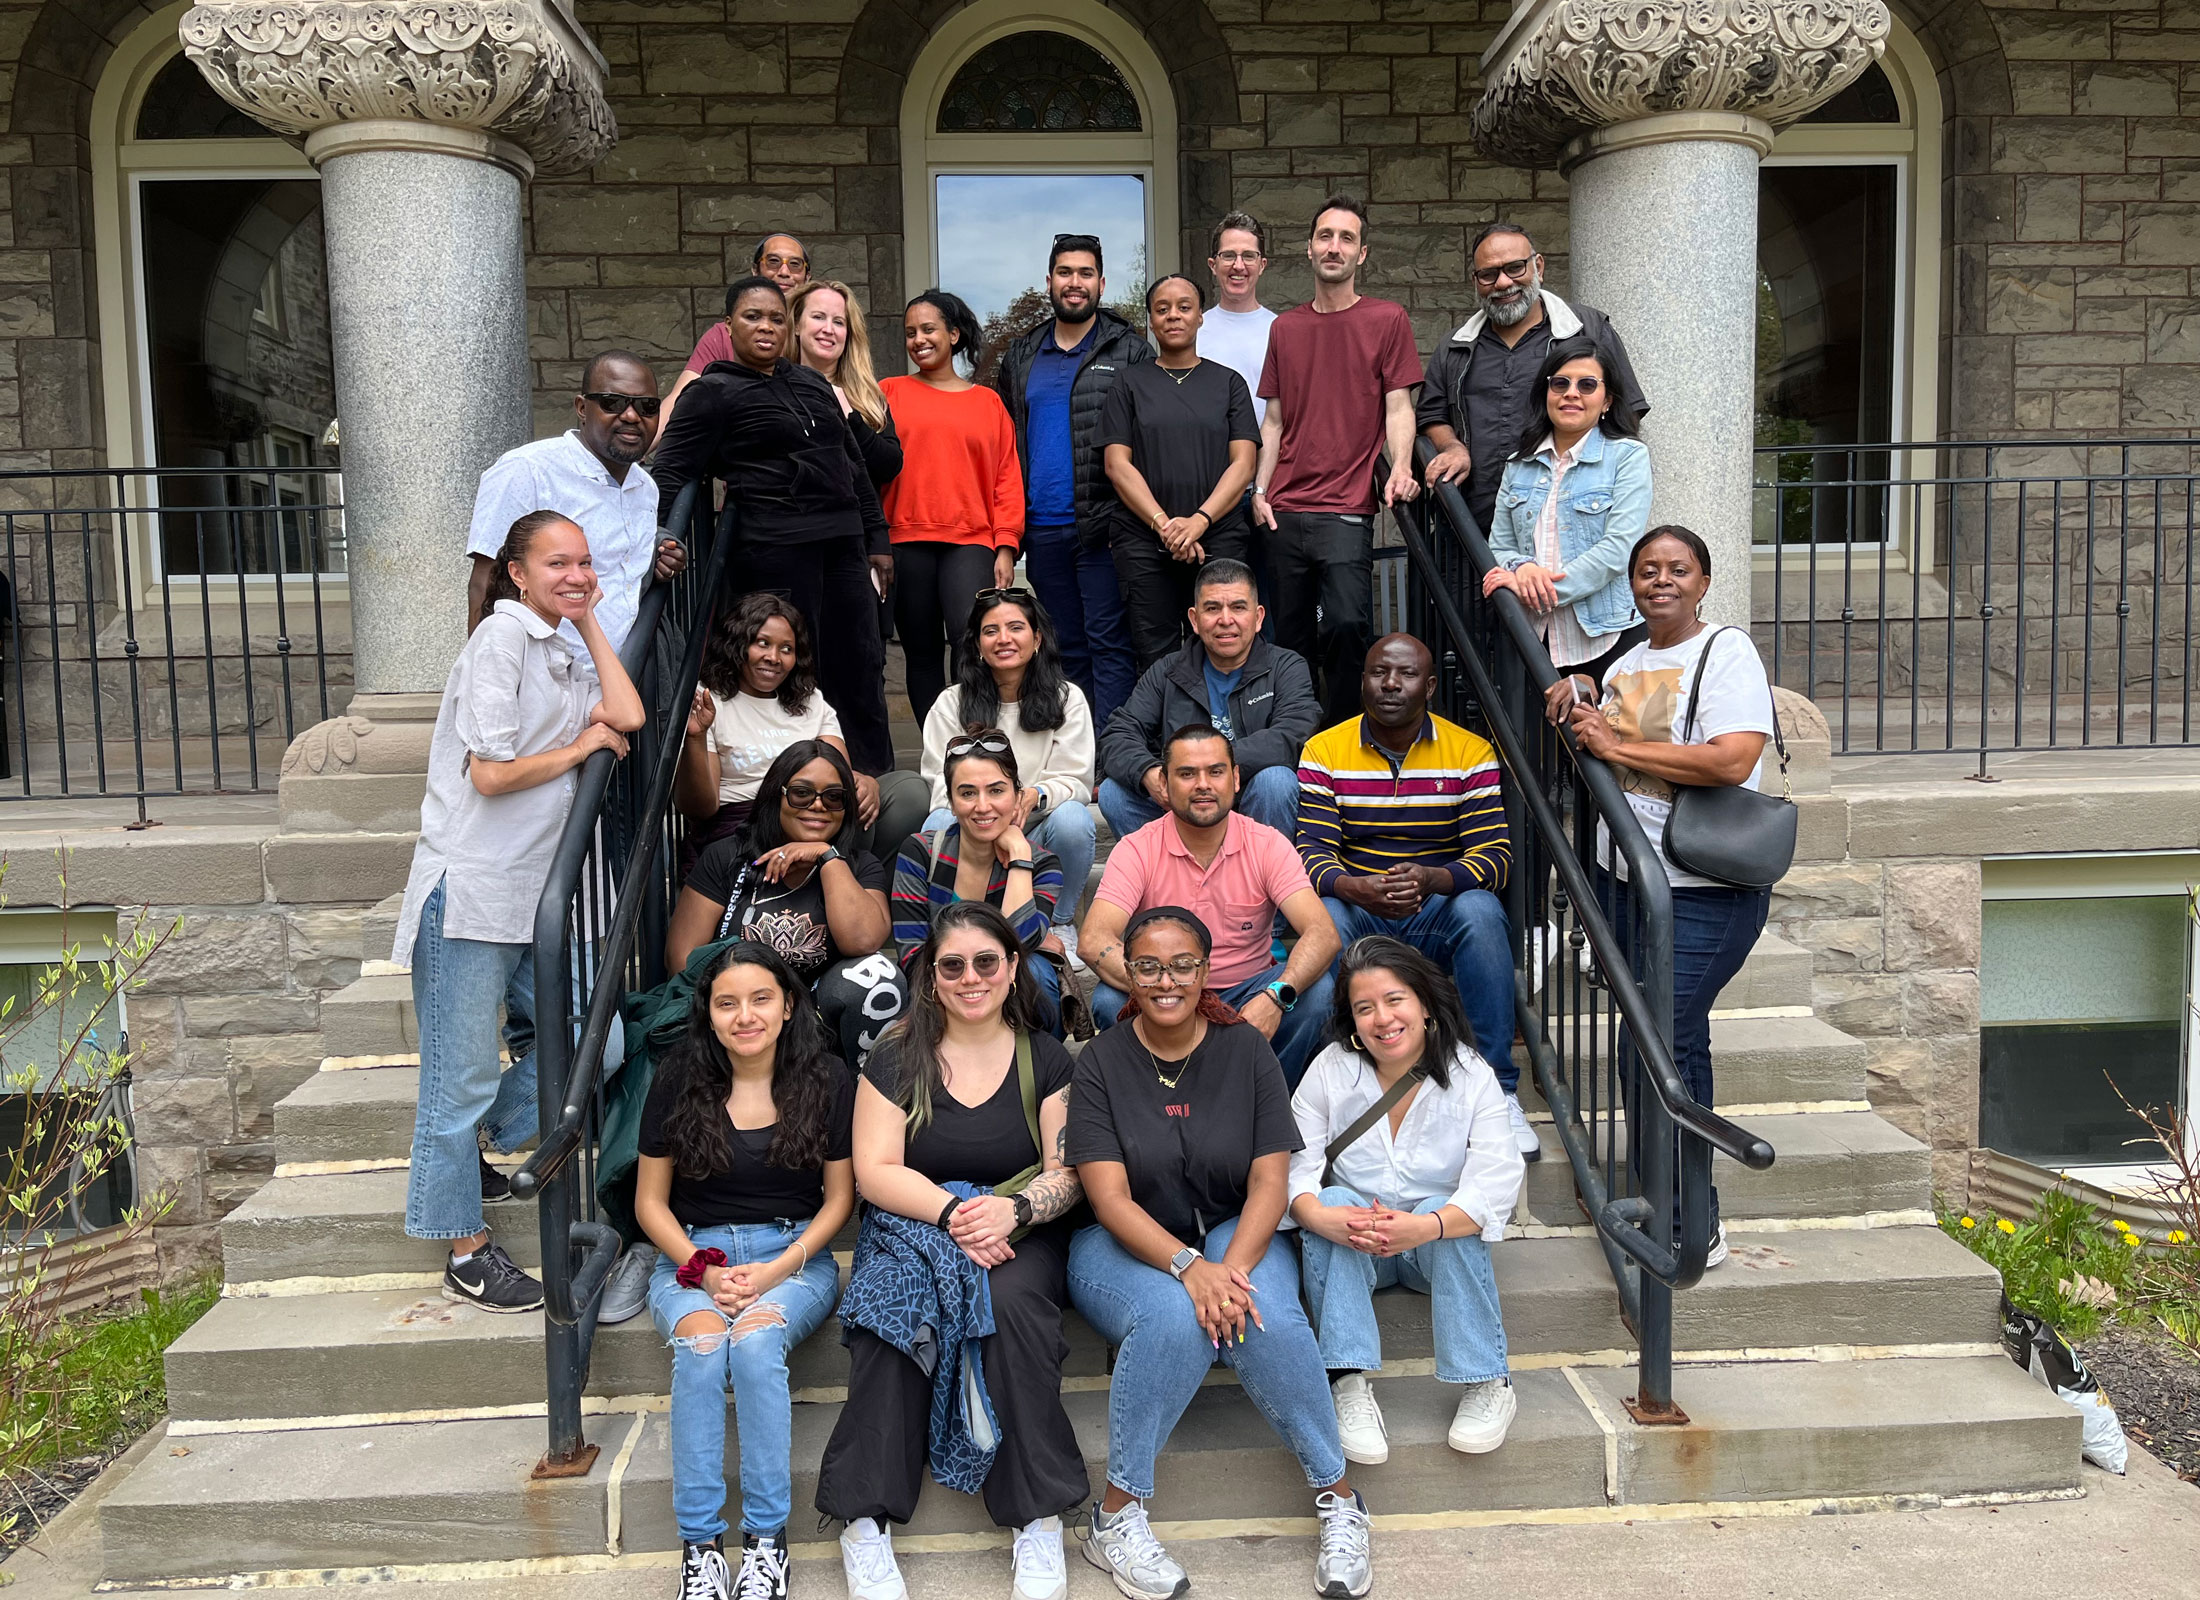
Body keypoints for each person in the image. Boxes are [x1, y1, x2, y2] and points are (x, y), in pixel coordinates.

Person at [1066, 907, 1373, 1600]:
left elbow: (1271, 1178)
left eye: (1181, 965)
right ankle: (1115, 1516)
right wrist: (1189, 1268)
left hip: (1234, 1230)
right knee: (1174, 1319)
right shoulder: (1102, 1063)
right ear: (1127, 973)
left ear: (1206, 972)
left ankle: (1340, 1499)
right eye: (1147, 965)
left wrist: (1227, 1270)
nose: (1164, 979)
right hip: (1122, 1244)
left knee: (1262, 1310)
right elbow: (1110, 1199)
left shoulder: (1245, 1050)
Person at [395, 511, 646, 1312]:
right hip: (471, 891)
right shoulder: (500, 643)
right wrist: (582, 749)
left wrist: (592, 618)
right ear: (517, 573)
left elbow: (630, 716)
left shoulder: (560, 644)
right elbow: (492, 774)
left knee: (596, 1042)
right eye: (556, 565)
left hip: (536, 901)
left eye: (583, 563)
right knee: (458, 1080)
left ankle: (479, 1147)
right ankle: (464, 1251)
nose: (573, 575)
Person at [816, 903, 1089, 1600]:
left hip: (1017, 1231)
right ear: (930, 979)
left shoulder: (1045, 1056)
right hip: (916, 1223)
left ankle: (1035, 1516)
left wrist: (1015, 1210)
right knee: (891, 1310)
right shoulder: (896, 1055)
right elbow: (875, 1168)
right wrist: (956, 1214)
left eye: (986, 962)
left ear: (1012, 968)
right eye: (953, 966)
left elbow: (1067, 1169)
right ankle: (865, 1521)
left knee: (1012, 1305)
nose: (972, 977)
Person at [1558, 525, 1776, 1270]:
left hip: (1703, 891)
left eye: (1677, 570)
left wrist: (1615, 748)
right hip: (1629, 883)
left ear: (1704, 582)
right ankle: (1673, 1196)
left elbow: (1733, 757)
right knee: (1673, 1045)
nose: (1661, 581)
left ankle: (1691, 1218)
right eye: (1648, 570)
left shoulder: (1726, 652)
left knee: (1655, 1049)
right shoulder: (1629, 660)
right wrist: (1587, 690)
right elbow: (1604, 702)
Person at [635, 940, 854, 1600]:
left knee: (755, 1346)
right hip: (693, 1256)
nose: (745, 1016)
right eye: (727, 1004)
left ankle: (765, 1542)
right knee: (703, 1348)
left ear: (788, 1005)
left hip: (794, 1256)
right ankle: (701, 1549)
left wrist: (775, 1270)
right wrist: (702, 1270)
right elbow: (649, 1203)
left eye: (761, 999)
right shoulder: (679, 1077)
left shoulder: (828, 1079)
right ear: (710, 1014)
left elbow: (840, 1201)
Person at [1297, 635, 1540, 1162]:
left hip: (1435, 908)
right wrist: (1351, 886)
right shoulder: (1324, 750)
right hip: (1360, 906)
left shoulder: (1469, 751)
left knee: (1481, 912)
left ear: (1429, 686)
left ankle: (1498, 1089)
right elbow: (1311, 852)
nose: (1389, 684)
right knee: (1326, 918)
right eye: (1378, 672)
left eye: (1405, 674)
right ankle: (1347, 1080)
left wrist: (1434, 879)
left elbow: (1496, 856)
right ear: (1362, 680)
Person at [1290, 938, 1525, 1470]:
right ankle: (1346, 1381)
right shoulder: (1331, 1069)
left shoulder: (1470, 1075)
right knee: (1331, 1197)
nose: (1383, 1019)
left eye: (1395, 1000)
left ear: (1424, 1003)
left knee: (1450, 1207)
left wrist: (1428, 1227)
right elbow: (1292, 1165)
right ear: (1351, 1019)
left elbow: (1496, 1179)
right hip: (1359, 1242)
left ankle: (1488, 1380)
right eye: (1364, 1007)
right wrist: (1317, 1213)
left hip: (1429, 1249)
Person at [651, 276, 897, 778]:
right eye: (752, 317)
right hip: (774, 552)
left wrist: (877, 540)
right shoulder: (711, 392)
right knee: (791, 672)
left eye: (776, 318)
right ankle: (800, 788)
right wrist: (656, 535)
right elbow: (670, 472)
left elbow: (854, 467)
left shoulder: (814, 385)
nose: (766, 326)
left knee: (861, 667)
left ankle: (871, 786)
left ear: (789, 328)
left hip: (844, 548)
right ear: (728, 326)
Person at [1081, 725, 1340, 1085]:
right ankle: (1158, 1104)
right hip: (1167, 987)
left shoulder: (1267, 845)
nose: (1203, 784)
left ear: (1235, 779)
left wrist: (1276, 996)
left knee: (1317, 993)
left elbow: (1323, 933)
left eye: (1215, 771)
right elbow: (1093, 939)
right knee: (1110, 1001)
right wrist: (1173, 988)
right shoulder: (1137, 849)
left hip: (1250, 989)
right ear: (1166, 784)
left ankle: (1267, 1099)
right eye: (1187, 774)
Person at [1253, 196, 1425, 726]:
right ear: (1309, 249)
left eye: (1346, 238)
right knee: (1289, 638)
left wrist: (1401, 467)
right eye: (1325, 236)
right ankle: (1300, 741)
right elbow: (1275, 421)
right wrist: (1259, 492)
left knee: (1348, 625)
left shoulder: (1387, 319)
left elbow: (1399, 405)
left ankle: (1344, 734)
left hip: (1347, 507)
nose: (1334, 246)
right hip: (1284, 509)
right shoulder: (1285, 328)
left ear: (1362, 253)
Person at [665, 741, 907, 1071]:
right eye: (801, 793)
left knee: (881, 975)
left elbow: (863, 941)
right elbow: (682, 959)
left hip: (817, 1020)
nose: (818, 806)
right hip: (740, 1013)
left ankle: (862, 1097)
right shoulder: (729, 856)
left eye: (834, 797)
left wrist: (827, 857)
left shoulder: (859, 866)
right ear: (776, 796)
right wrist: (758, 1003)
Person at [993, 232, 1151, 725]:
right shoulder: (1021, 355)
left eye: (1085, 274)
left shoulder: (1129, 350)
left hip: (1106, 523)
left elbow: (1147, 441)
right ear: (1049, 281)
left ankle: (1115, 759)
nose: (1075, 283)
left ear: (1102, 283)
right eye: (1065, 273)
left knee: (1110, 642)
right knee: (1063, 645)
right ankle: (1080, 756)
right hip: (1042, 526)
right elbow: (1005, 443)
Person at [1419, 221, 1650, 540]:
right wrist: (1451, 446)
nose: (1502, 283)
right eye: (1488, 274)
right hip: (1469, 528)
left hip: (1567, 529)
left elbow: (1626, 413)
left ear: (1538, 265)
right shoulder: (1454, 346)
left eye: (1515, 268)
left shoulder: (1587, 330)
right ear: (1476, 281)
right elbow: (1431, 416)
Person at [673, 592, 928, 863]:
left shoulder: (808, 699)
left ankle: (871, 886)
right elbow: (702, 808)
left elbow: (837, 772)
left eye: (786, 649)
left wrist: (865, 783)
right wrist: (696, 738)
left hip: (815, 804)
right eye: (762, 644)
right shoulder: (709, 701)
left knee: (907, 792)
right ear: (737, 645)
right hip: (750, 818)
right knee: (840, 819)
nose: (774, 657)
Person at [464, 350, 686, 652]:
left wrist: (658, 556)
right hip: (542, 678)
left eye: (647, 406)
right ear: (582, 407)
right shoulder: (527, 470)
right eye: (613, 402)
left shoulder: (644, 487)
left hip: (612, 679)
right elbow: (484, 583)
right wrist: (487, 678)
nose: (632, 416)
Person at [918, 589, 1096, 961]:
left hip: (1036, 823)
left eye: (1016, 627)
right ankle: (953, 921)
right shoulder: (951, 703)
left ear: (1037, 638)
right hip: (972, 826)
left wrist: (1032, 796)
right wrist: (989, 821)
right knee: (935, 821)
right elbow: (940, 786)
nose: (1004, 640)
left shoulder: (1068, 698)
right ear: (978, 644)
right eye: (991, 631)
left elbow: (1076, 780)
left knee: (1074, 820)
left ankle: (1058, 919)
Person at [1099, 275, 1259, 668]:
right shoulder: (1129, 383)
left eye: (1184, 307)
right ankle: (1166, 732)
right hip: (1143, 539)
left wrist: (1200, 521)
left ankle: (1223, 729)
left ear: (1200, 317)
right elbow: (1117, 464)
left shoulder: (1228, 383)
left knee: (1225, 645)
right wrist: (1165, 525)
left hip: (1218, 534)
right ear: (1151, 320)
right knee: (1155, 655)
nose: (1174, 316)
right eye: (1162, 309)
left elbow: (1244, 464)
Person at [1096, 557, 1317, 841]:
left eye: (1238, 607)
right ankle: (1171, 881)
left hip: (1249, 796)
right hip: (1184, 805)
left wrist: (1209, 768)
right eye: (1212, 608)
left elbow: (1292, 735)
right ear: (1195, 620)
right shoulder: (1168, 670)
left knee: (1276, 781)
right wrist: (1149, 772)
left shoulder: (1286, 666)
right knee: (1115, 794)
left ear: (1259, 617)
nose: (1226, 620)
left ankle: (1263, 881)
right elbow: (1118, 732)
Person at [883, 290, 1024, 715]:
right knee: (921, 652)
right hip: (905, 537)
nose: (918, 339)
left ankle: (973, 747)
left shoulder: (988, 403)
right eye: (910, 333)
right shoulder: (886, 392)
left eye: (928, 329)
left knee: (971, 647)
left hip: (971, 541)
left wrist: (1006, 545)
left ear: (954, 334)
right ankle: (936, 751)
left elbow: (1006, 478)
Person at [1483, 338, 1651, 686]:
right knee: (1531, 740)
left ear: (1607, 401)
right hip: (1529, 636)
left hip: (1606, 637)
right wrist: (1523, 567)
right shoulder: (1519, 465)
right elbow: (1498, 545)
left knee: (1601, 740)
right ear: (1546, 394)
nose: (1571, 393)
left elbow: (1617, 550)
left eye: (1587, 385)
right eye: (1560, 383)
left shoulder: (1628, 457)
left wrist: (1540, 590)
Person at [892, 730, 1074, 1037]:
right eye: (967, 793)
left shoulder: (1042, 864)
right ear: (950, 802)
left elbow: (1022, 940)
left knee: (1038, 974)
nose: (983, 806)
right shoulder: (921, 853)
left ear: (1018, 797)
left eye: (996, 791)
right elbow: (912, 957)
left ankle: (1037, 1072)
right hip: (941, 991)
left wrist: (1019, 855)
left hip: (1008, 996)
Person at [659, 234, 814, 437]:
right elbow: (680, 398)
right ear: (755, 270)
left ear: (807, 277)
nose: (784, 272)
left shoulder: (819, 333)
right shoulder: (722, 335)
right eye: (773, 262)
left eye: (795, 264)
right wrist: (639, 453)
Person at [789, 278, 902, 496]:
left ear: (849, 333)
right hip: (791, 524)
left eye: (839, 322)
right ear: (796, 325)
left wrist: (851, 417)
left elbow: (890, 467)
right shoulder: (775, 388)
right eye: (818, 317)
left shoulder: (868, 398)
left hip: (857, 525)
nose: (828, 329)